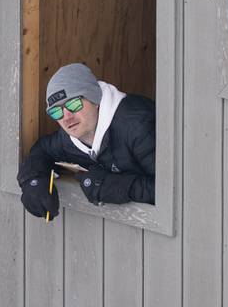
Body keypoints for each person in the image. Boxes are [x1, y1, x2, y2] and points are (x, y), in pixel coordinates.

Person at [16, 62, 156, 217]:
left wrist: (114, 186)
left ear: (95, 100)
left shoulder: (138, 127)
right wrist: (32, 181)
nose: (67, 118)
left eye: (73, 104)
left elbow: (171, 191)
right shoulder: (71, 137)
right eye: (57, 112)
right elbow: (42, 150)